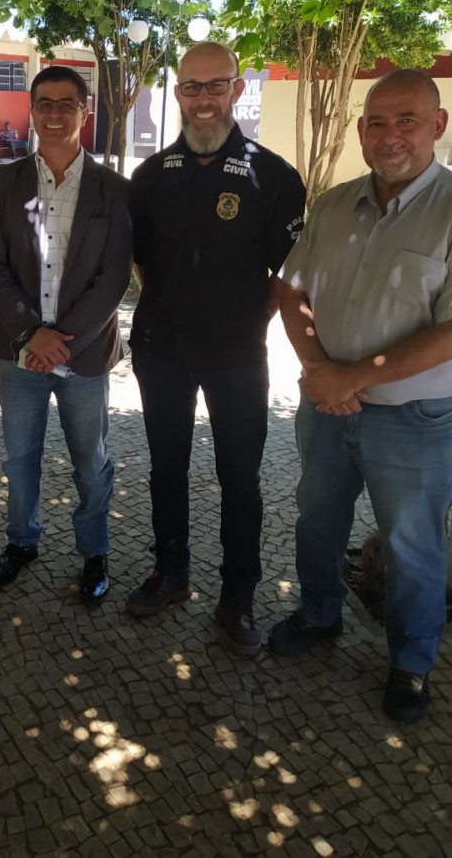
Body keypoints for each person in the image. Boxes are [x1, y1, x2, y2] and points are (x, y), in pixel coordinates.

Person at [269, 69, 452, 724]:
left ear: (438, 125)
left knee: (412, 544)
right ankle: (319, 613)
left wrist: (353, 377)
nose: (389, 135)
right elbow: (290, 289)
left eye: (406, 120)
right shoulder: (332, 204)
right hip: (326, 409)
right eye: (376, 122)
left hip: (414, 418)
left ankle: (411, 661)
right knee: (317, 519)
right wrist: (319, 368)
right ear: (359, 130)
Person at [127, 42, 306, 654]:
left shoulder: (274, 176)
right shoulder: (151, 176)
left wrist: (243, 322)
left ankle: (239, 594)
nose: (203, 99)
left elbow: (287, 275)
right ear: (177, 93)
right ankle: (171, 572)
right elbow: (143, 263)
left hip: (237, 355)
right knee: (166, 469)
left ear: (236, 89)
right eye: (191, 87)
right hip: (161, 350)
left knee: (240, 478)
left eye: (216, 85)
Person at [0, 66, 132, 604]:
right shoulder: (5, 182)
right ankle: (21, 541)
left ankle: (94, 552)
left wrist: (61, 340)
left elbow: (114, 278)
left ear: (84, 113)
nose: (55, 113)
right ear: (32, 110)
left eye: (67, 104)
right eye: (45, 103)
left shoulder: (115, 190)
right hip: (20, 354)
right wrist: (30, 336)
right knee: (19, 460)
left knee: (90, 462)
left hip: (83, 357)